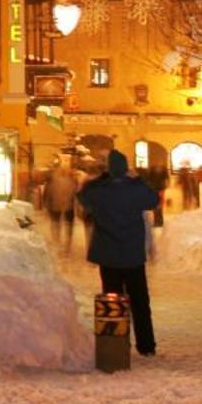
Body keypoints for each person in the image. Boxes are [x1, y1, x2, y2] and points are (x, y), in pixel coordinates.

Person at [77, 148, 161, 356]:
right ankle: (146, 345)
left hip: (108, 256)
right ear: (126, 169)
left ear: (108, 170)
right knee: (140, 301)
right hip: (132, 256)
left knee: (112, 301)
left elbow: (83, 197)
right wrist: (137, 180)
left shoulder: (100, 191)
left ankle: (115, 343)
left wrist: (102, 179)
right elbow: (153, 200)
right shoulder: (135, 189)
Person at [45, 157, 80, 250]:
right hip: (62, 206)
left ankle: (61, 243)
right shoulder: (71, 179)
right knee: (64, 225)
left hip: (62, 206)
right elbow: (49, 192)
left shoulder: (57, 179)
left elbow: (48, 192)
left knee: (60, 225)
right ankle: (62, 244)